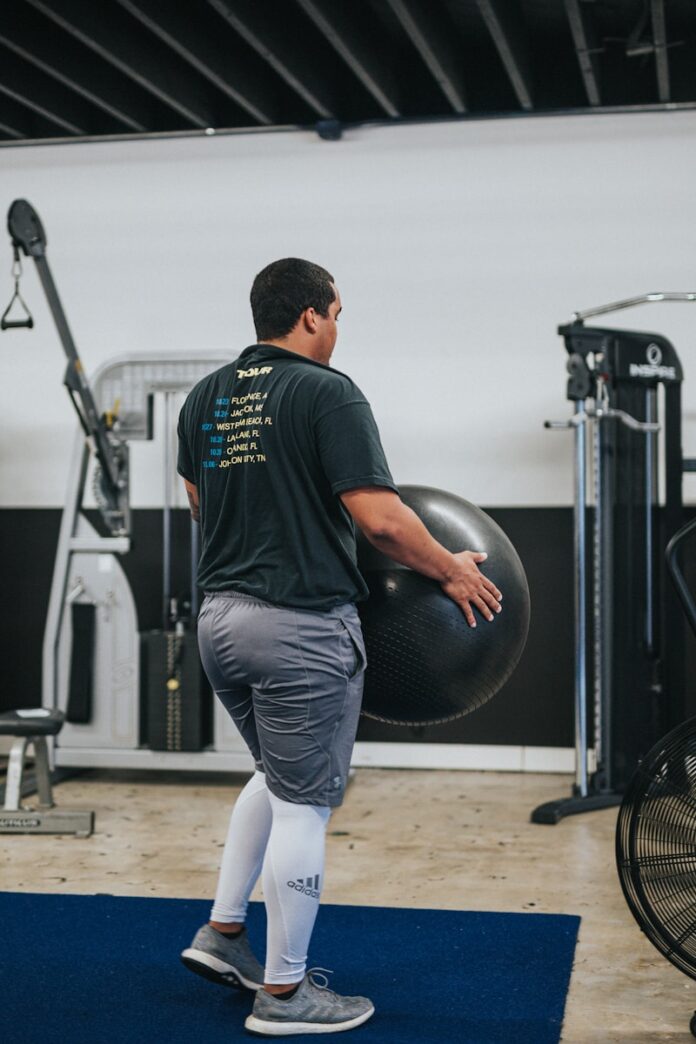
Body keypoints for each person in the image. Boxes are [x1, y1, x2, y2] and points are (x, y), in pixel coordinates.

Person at [176, 258, 502, 1036]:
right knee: (305, 806)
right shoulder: (328, 392)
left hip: (219, 621)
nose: (337, 328)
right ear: (311, 316)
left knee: (277, 778)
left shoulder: (204, 397)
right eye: (337, 313)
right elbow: (382, 521)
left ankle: (223, 934)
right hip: (297, 628)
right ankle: (285, 995)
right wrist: (450, 569)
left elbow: (199, 503)